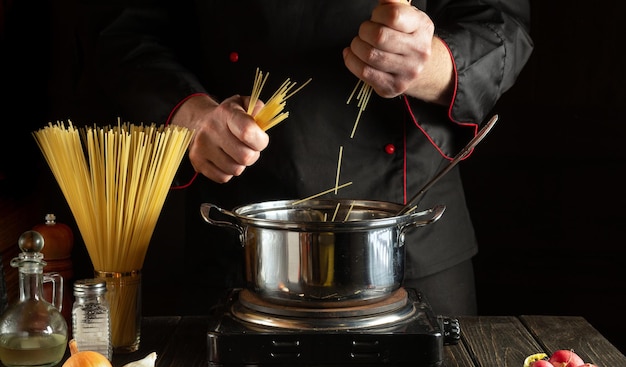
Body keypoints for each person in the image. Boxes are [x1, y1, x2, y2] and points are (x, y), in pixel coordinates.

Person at [91, 0, 533, 316]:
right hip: (239, 234)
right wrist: (189, 115)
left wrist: (433, 62)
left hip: (410, 241)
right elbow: (120, 29)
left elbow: (504, 23)